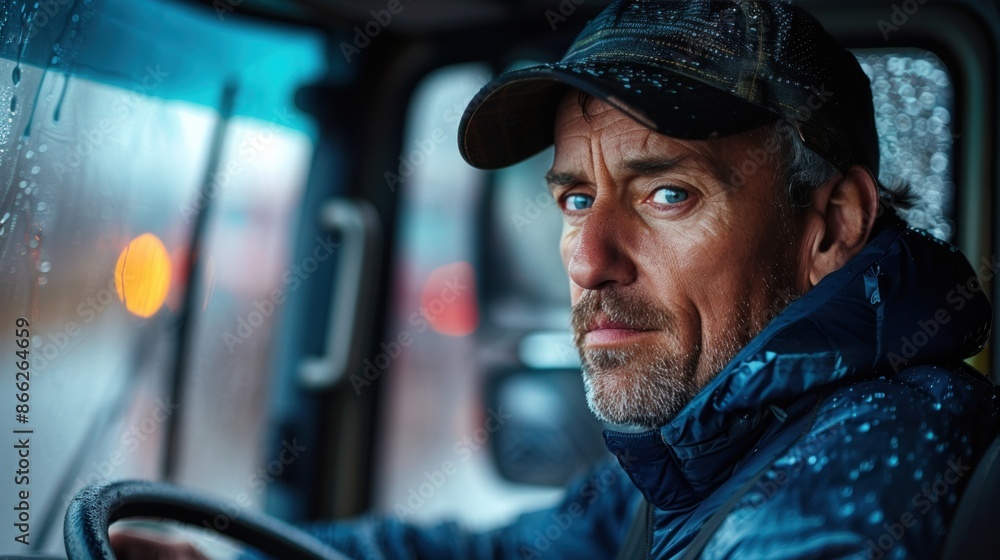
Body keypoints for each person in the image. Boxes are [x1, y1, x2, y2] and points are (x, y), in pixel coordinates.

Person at [112, 0, 1000, 558]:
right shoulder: (709, 440)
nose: (586, 259)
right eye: (576, 199)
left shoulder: (860, 468)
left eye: (666, 193)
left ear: (831, 225)